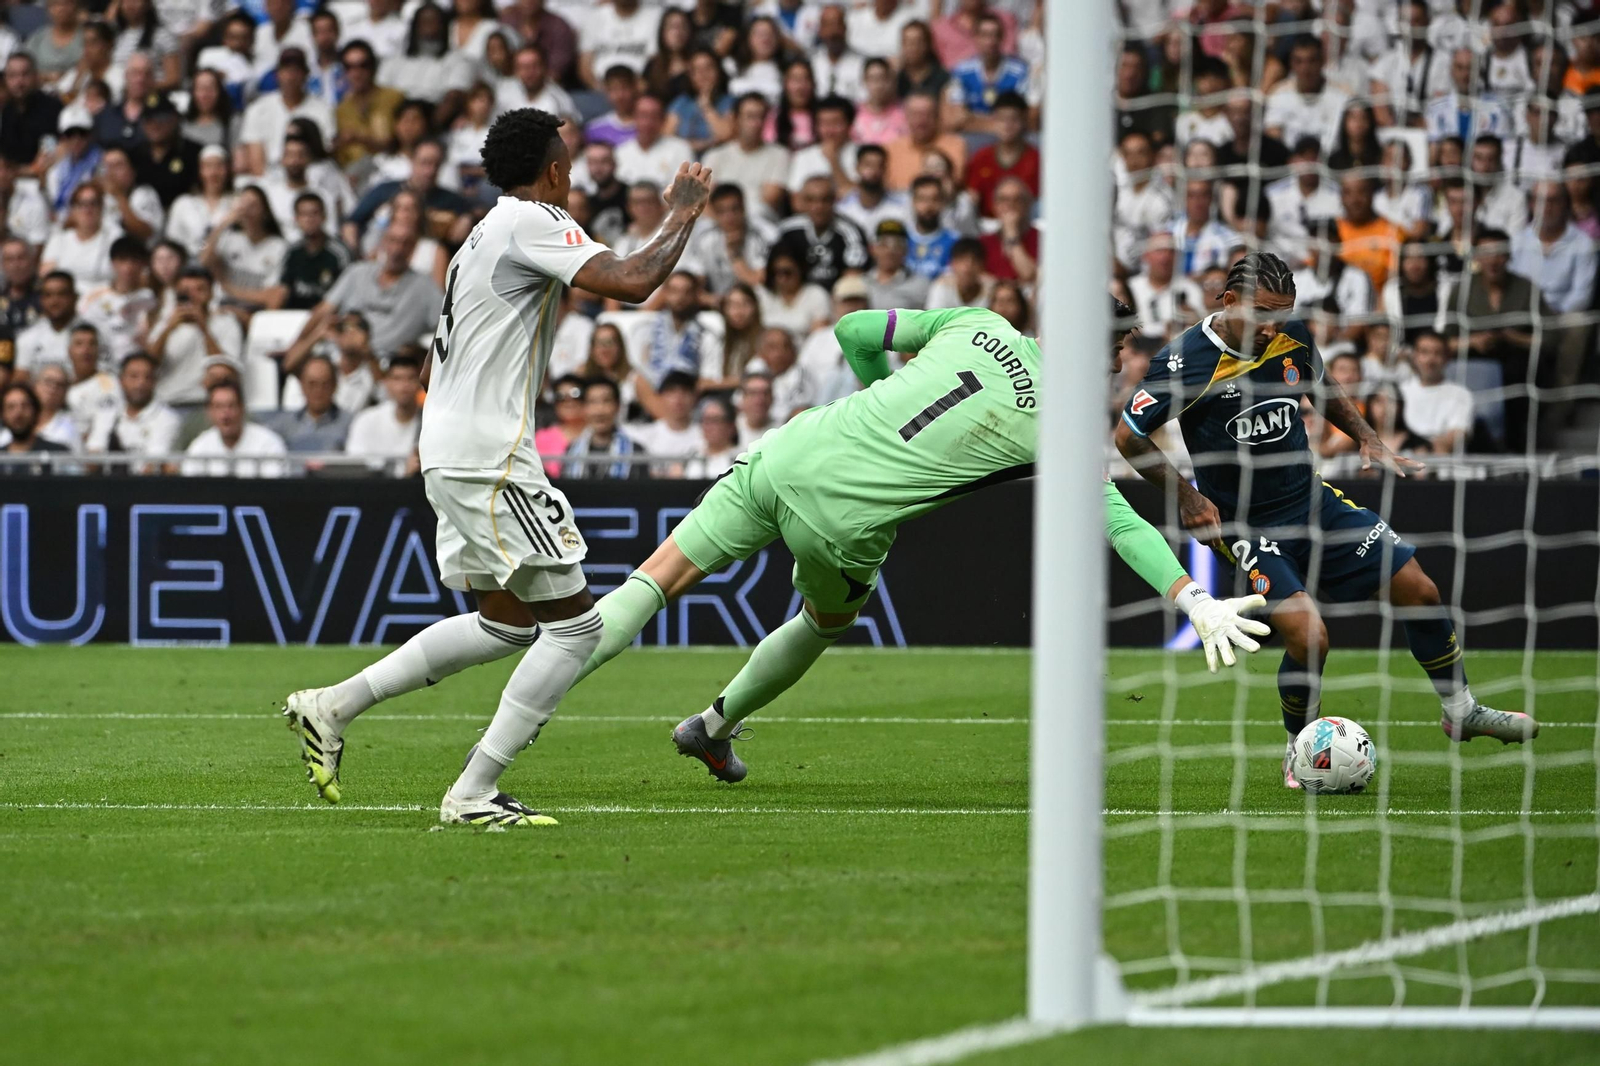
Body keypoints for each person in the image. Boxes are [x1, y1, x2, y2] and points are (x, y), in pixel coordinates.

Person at [564, 301, 1267, 785]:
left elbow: (853, 330)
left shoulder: (975, 320)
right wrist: (1195, 600)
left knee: (652, 581)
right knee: (824, 621)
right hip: (845, 521)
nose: (1122, 363)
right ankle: (714, 725)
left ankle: (524, 709)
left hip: (792, 452)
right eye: (1119, 350)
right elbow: (1118, 523)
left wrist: (882, 404)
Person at [281, 107, 713, 827]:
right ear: (550, 171)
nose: (572, 177)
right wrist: (683, 214)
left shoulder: (479, 236)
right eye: (568, 166)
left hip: (450, 448)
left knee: (507, 624)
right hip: (488, 456)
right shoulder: (528, 220)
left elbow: (430, 358)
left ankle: (332, 706)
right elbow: (635, 280)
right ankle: (473, 793)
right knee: (576, 630)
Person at [1113, 252, 1538, 790]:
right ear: (1227, 302)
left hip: (1313, 503)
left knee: (1419, 588)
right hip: (1247, 526)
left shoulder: (1290, 335)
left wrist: (1365, 434)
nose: (1272, 326)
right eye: (1263, 312)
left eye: (1283, 313)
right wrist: (1186, 495)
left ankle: (1462, 710)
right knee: (1310, 636)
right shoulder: (1184, 362)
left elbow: (1322, 386)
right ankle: (1298, 748)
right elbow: (1128, 436)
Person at [282, 226, 442, 368]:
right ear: (382, 242)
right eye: (393, 241)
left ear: (414, 248)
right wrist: (297, 343)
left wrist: (420, 354)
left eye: (406, 243)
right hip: (339, 356)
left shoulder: (425, 287)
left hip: (387, 366)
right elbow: (322, 311)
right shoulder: (357, 272)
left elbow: (446, 328)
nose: (398, 249)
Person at [148, 266, 245, 411]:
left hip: (206, 403)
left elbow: (226, 370)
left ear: (211, 293)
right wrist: (168, 329)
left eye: (200, 290)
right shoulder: (166, 322)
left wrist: (203, 327)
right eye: (186, 291)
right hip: (166, 402)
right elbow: (148, 365)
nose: (192, 296)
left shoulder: (226, 322)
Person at [700, 93, 789, 223]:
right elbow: (704, 201)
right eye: (750, 117)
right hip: (718, 224)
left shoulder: (780, 154)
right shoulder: (715, 155)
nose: (757, 123)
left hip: (759, 225)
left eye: (761, 117)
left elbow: (770, 199)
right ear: (736, 119)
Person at [773, 176, 870, 292]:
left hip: (836, 299)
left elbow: (853, 277)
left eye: (825, 200)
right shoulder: (788, 231)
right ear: (802, 201)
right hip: (798, 297)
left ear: (835, 200)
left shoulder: (851, 233)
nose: (818, 206)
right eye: (811, 200)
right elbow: (773, 270)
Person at [83, 351, 180, 467]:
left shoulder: (168, 418)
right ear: (121, 380)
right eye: (134, 376)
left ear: (155, 382)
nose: (140, 383)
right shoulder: (106, 414)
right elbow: (93, 458)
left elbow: (153, 466)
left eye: (147, 377)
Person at [181, 379, 288, 477]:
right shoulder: (200, 446)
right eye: (218, 407)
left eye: (231, 405)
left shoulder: (268, 444)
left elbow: (274, 490)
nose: (225, 415)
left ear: (242, 408)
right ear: (209, 412)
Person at [77, 236, 156, 364]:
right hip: (101, 364)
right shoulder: (92, 296)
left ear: (143, 264)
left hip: (136, 366)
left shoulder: (149, 298)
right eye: (122, 260)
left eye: (134, 260)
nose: (128, 267)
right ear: (113, 263)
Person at [1399, 330, 1474, 454]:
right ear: (1414, 356)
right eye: (1424, 352)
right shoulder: (1401, 391)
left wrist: (1424, 450)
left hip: (1444, 465)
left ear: (1447, 358)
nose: (1430, 360)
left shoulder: (1461, 395)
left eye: (1437, 353)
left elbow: (1455, 437)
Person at [343, 351, 420, 461]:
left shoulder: (430, 422)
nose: (404, 386)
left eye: (411, 378)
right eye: (397, 378)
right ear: (387, 382)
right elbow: (355, 464)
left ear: (420, 383)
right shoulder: (365, 420)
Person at [270, 355, 352, 452]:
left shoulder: (351, 425)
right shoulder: (281, 426)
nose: (318, 390)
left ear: (335, 386)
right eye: (312, 384)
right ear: (302, 386)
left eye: (325, 384)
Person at [14, 270, 77, 378]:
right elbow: (21, 379)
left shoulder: (91, 334)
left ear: (74, 297)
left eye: (61, 294)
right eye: (48, 295)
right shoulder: (28, 337)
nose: (54, 301)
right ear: (41, 300)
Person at [0, 381, 71, 472]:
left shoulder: (58, 453)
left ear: (36, 411)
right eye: (11, 407)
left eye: (25, 406)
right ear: (3, 415)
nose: (18, 413)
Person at [904, 174, 959, 281]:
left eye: (935, 199)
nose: (928, 206)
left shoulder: (954, 242)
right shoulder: (901, 239)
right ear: (913, 202)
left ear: (942, 202)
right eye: (922, 199)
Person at [864, 218, 929, 309]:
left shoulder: (920, 285)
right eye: (884, 245)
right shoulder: (861, 283)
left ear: (906, 250)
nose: (890, 251)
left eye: (897, 245)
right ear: (872, 249)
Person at [535, 373, 587, 476]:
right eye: (560, 396)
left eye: (575, 394)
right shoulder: (541, 438)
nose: (569, 401)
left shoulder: (596, 434)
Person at [683, 393, 739, 478]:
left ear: (730, 426)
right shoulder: (692, 455)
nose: (708, 426)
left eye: (715, 420)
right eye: (706, 420)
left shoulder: (739, 458)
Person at [735, 369, 775, 444]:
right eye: (753, 393)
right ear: (743, 397)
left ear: (772, 397)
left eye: (765, 393)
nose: (759, 400)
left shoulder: (780, 431)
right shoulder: (730, 430)